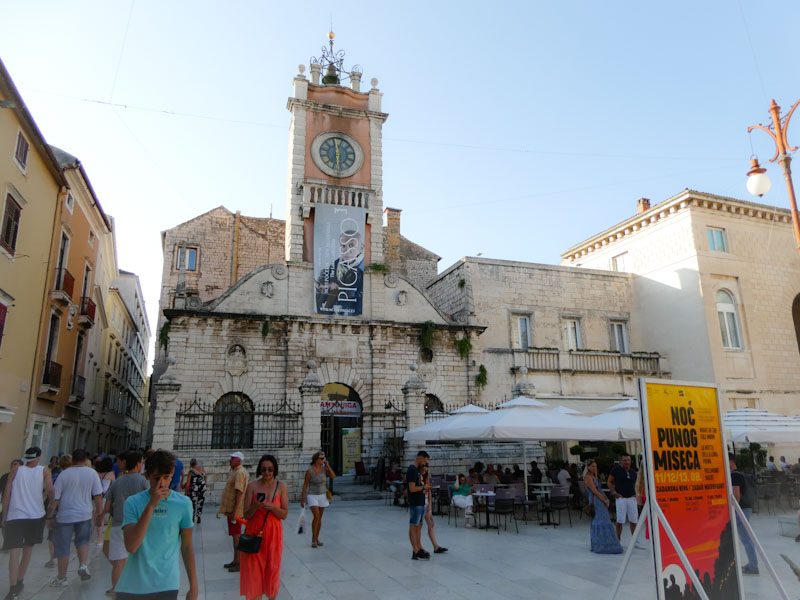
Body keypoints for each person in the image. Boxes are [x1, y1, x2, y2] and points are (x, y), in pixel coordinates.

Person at [115, 449, 198, 600]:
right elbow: (132, 546)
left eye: (166, 478)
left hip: (165, 584)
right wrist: (151, 506)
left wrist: (194, 586)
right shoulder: (133, 503)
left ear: (172, 474)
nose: (161, 483)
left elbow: (186, 546)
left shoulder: (183, 504)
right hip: (132, 586)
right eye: (156, 478)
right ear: (146, 476)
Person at [2, 447, 53, 600]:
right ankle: (20, 581)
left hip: (15, 515)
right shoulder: (44, 471)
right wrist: (51, 506)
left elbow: (6, 494)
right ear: (38, 458)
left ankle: (12, 589)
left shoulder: (15, 471)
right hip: (35, 516)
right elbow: (50, 490)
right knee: (28, 550)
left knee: (13, 553)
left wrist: (4, 515)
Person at [48, 448, 103, 588]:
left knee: (63, 547)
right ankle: (83, 565)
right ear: (85, 459)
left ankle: (62, 577)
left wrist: (50, 515)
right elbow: (98, 495)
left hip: (65, 515)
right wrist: (99, 512)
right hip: (84, 513)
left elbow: (55, 498)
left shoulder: (64, 474)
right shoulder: (92, 473)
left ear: (73, 459)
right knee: (83, 541)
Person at [240, 454, 288, 600]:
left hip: (273, 534)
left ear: (275, 470)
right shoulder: (252, 486)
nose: (267, 472)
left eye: (270, 469)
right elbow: (246, 514)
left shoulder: (281, 487)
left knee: (272, 569)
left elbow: (284, 514)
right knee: (253, 572)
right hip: (254, 532)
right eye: (264, 469)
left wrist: (273, 507)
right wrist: (255, 506)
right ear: (260, 470)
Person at [101, 451, 148, 596]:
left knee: (118, 561)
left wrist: (101, 516)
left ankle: (116, 590)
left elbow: (107, 507)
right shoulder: (142, 482)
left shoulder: (117, 482)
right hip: (138, 525)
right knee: (140, 557)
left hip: (118, 523)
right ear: (138, 464)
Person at [584, 459, 623, 554]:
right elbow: (594, 491)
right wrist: (604, 500)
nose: (594, 468)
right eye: (592, 466)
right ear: (588, 467)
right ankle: (600, 544)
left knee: (605, 520)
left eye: (595, 466)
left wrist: (606, 499)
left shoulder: (594, 477)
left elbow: (599, 490)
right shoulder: (588, 477)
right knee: (599, 520)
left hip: (600, 499)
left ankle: (607, 543)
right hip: (596, 501)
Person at [218, 451, 248, 572]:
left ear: (238, 460)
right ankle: (236, 560)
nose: (230, 460)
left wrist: (235, 512)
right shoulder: (235, 472)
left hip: (235, 512)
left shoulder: (239, 473)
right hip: (231, 511)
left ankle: (239, 561)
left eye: (232, 458)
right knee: (234, 535)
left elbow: (239, 492)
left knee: (236, 536)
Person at [729, 453, 759, 575]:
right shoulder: (741, 474)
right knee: (746, 538)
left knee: (745, 539)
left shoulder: (734, 475)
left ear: (730, 461)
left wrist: (732, 509)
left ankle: (753, 567)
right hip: (747, 507)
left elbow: (736, 495)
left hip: (740, 509)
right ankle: (752, 564)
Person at [300, 450, 336, 548]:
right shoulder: (310, 471)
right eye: (321, 458)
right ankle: (313, 539)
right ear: (316, 460)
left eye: (323, 458)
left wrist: (328, 466)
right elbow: (305, 485)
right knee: (316, 516)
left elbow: (333, 476)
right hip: (312, 495)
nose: (323, 460)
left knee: (319, 518)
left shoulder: (325, 469)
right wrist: (303, 498)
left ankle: (317, 538)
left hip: (323, 495)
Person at [607, 453, 638, 542]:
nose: (626, 462)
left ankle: (634, 540)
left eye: (628, 460)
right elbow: (609, 482)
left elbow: (636, 483)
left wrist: (636, 493)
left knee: (634, 519)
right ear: (621, 461)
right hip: (621, 498)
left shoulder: (633, 472)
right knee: (620, 520)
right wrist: (614, 492)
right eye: (624, 460)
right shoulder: (616, 470)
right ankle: (618, 539)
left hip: (632, 498)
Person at [406, 450, 430, 559]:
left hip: (420, 501)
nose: (424, 464)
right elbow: (412, 488)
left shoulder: (417, 470)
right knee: (413, 525)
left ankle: (419, 547)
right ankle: (415, 550)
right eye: (424, 461)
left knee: (419, 526)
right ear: (420, 458)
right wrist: (424, 487)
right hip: (415, 502)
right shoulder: (412, 470)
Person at [421, 464, 447, 554]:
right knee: (418, 526)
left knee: (431, 524)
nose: (424, 472)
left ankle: (436, 546)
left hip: (426, 502)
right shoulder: (417, 478)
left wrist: (430, 505)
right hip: (419, 503)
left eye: (425, 470)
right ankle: (418, 548)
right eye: (423, 470)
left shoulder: (426, 478)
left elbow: (429, 491)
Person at [94, 457, 116, 545]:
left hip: (95, 498)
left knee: (94, 518)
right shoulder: (111, 474)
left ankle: (91, 538)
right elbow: (114, 486)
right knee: (101, 518)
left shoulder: (97, 473)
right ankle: (99, 539)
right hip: (104, 498)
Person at [182, 459, 206, 523]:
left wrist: (186, 491)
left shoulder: (191, 471)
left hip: (194, 489)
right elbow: (205, 477)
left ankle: (192, 517)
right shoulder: (202, 469)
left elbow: (187, 483)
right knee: (200, 502)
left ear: (191, 465)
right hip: (202, 488)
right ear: (196, 463)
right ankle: (199, 517)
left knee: (193, 503)